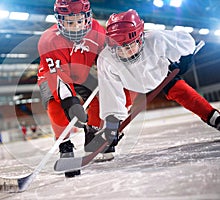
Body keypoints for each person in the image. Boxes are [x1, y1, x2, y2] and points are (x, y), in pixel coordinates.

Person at [93, 9, 220, 151]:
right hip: (129, 84)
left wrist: (185, 57)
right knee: (121, 103)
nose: (123, 53)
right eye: (118, 48)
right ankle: (108, 136)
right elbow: (111, 93)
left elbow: (185, 41)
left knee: (182, 91)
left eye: (128, 46)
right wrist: (112, 124)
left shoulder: (155, 38)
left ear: (141, 37)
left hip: (160, 76)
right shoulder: (106, 59)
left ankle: (214, 117)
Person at [37, 0, 130, 177]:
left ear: (88, 17)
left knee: (102, 97)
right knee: (55, 106)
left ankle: (92, 134)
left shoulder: (97, 30)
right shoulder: (48, 40)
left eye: (80, 21)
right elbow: (58, 76)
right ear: (59, 20)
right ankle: (65, 146)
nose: (76, 27)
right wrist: (70, 102)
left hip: (82, 72)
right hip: (52, 74)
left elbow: (107, 56)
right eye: (69, 22)